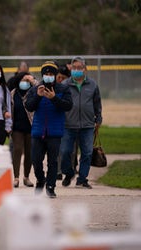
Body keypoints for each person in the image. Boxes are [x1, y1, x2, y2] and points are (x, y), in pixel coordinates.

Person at [24, 61, 73, 198]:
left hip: (54, 132)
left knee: (52, 161)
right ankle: (40, 180)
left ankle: (50, 187)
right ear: (42, 75)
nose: (48, 76)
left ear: (55, 75)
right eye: (46, 74)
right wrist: (39, 97)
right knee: (36, 160)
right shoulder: (35, 89)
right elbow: (29, 106)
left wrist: (54, 98)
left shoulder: (63, 89)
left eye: (51, 74)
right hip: (38, 131)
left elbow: (68, 106)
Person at [60, 56, 103, 189]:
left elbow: (97, 103)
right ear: (71, 69)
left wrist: (99, 119)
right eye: (74, 68)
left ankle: (82, 179)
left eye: (80, 68)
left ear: (85, 69)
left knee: (87, 153)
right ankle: (69, 173)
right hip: (68, 124)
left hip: (87, 125)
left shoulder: (93, 85)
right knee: (65, 152)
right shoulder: (65, 85)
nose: (77, 70)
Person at [9, 72, 36, 187]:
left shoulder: (33, 92)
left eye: (27, 81)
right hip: (16, 127)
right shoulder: (13, 93)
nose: (24, 83)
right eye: (23, 80)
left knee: (29, 152)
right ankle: (16, 177)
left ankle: (26, 177)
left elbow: (41, 87)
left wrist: (33, 80)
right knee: (17, 150)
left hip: (31, 127)